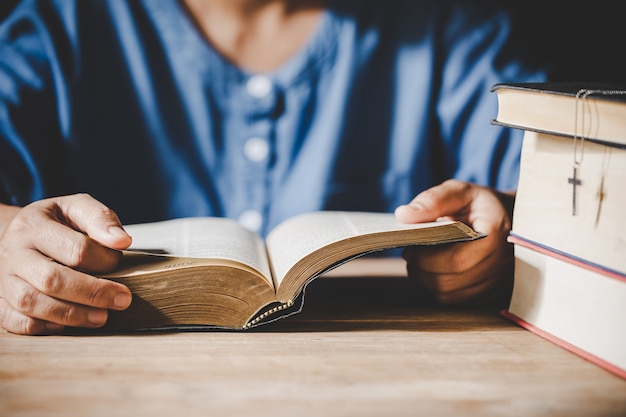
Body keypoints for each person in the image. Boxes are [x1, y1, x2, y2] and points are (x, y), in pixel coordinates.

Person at [0, 0, 546, 335]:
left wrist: (511, 231)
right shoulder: (57, 26)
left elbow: (567, 184)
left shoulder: (453, 28)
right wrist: (11, 240)